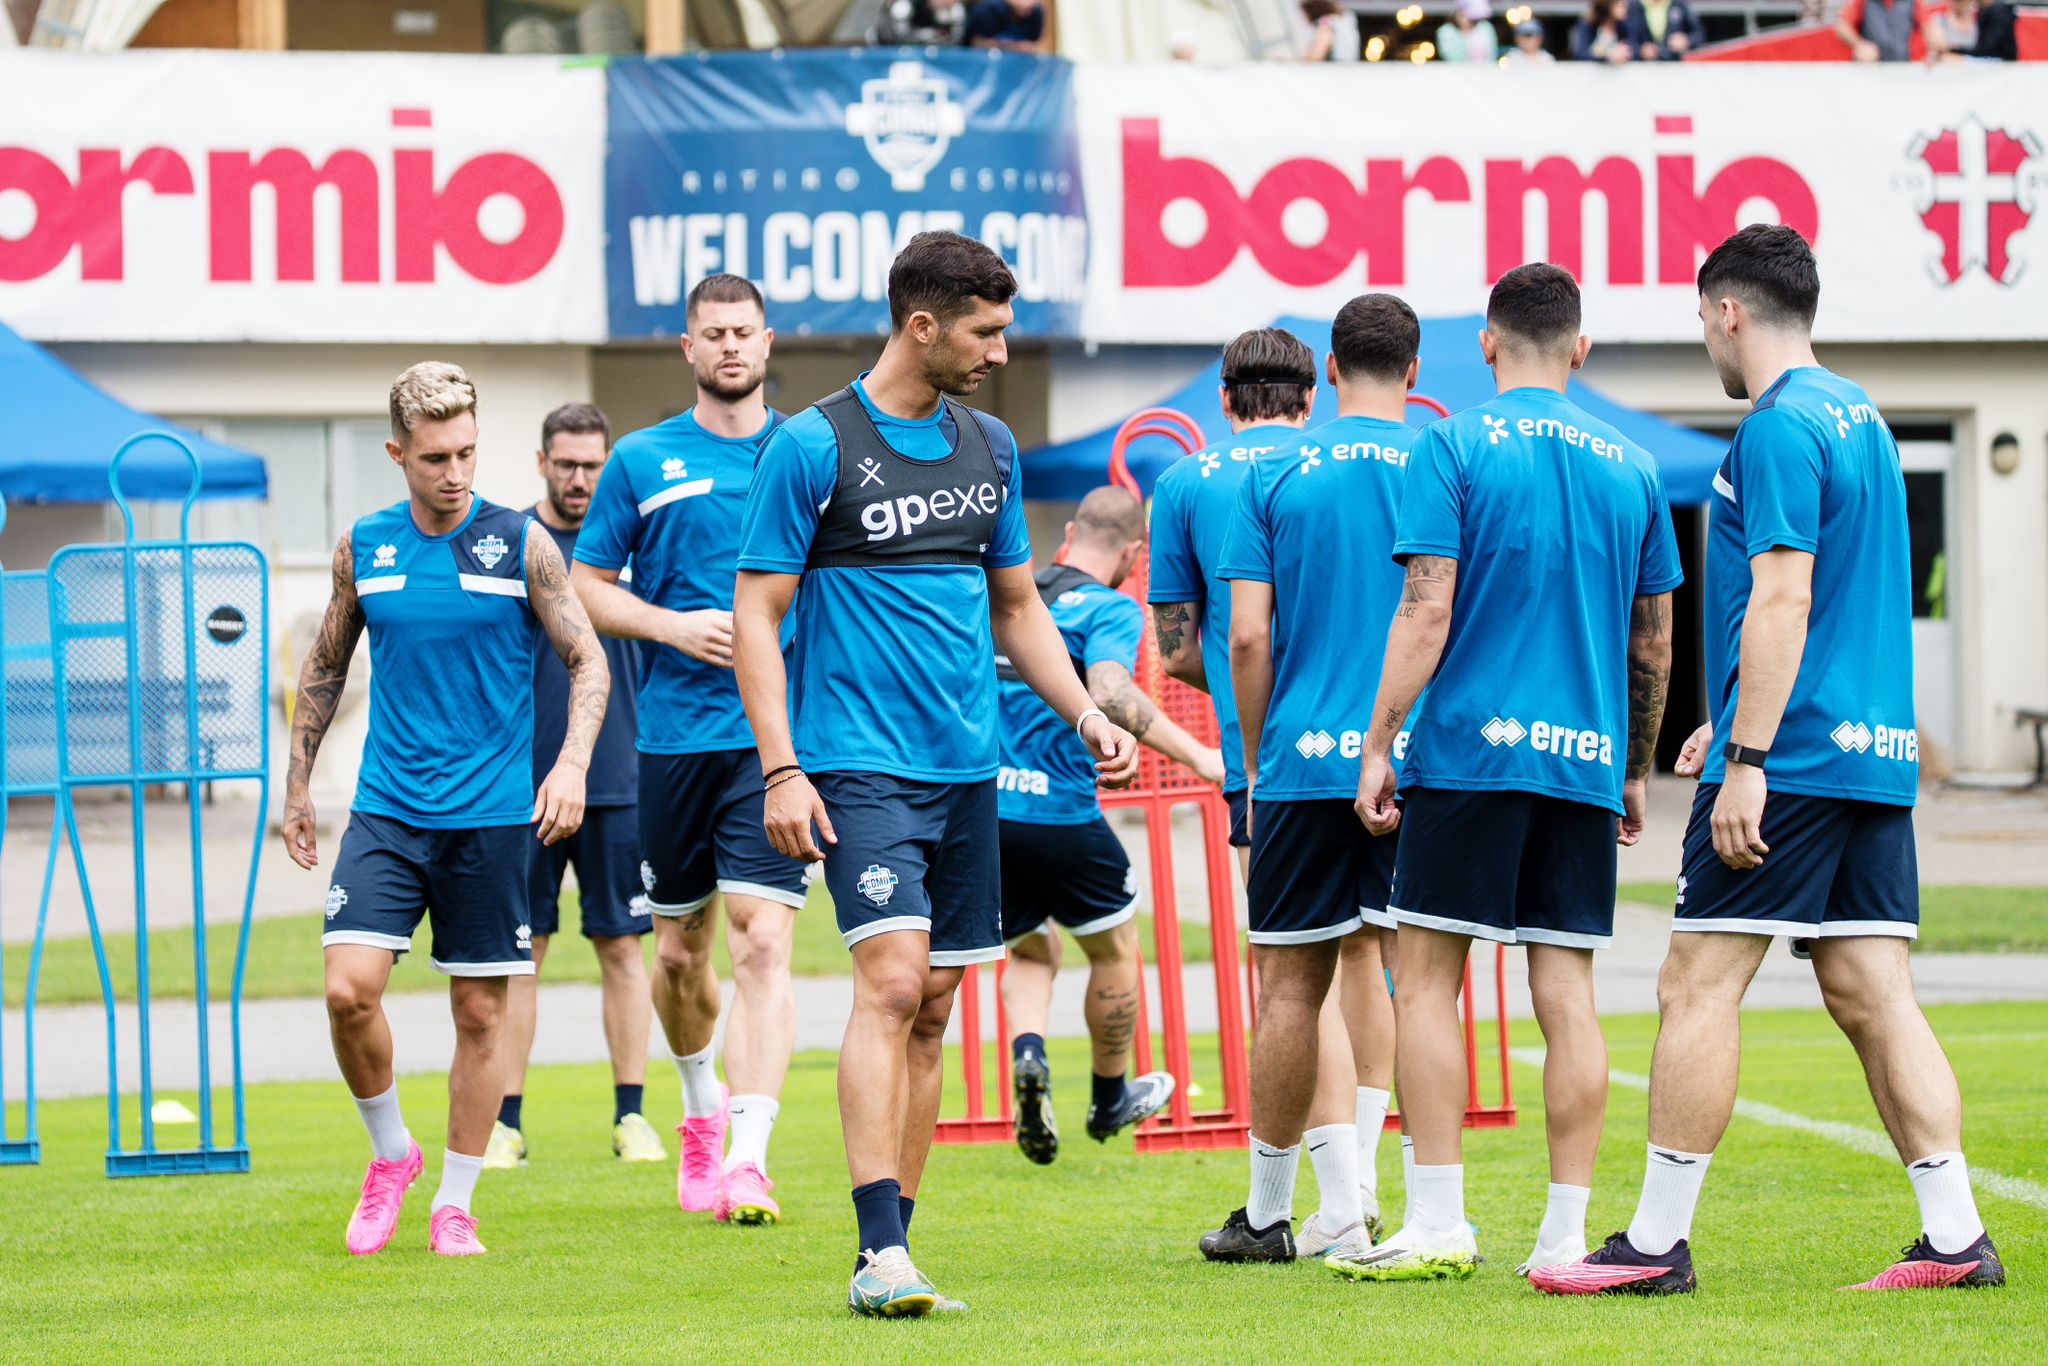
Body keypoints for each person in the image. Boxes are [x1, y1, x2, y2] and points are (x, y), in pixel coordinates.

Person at [1532, 225, 2008, 1297]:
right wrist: (1732, 718)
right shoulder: (1862, 418)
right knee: (1868, 985)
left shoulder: (1777, 426)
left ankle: (1652, 1245)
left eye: (1702, 318)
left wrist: (1745, 752)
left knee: (1693, 979)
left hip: (1789, 760)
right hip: (1867, 752)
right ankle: (1953, 1236)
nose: (1704, 333)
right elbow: (1832, 599)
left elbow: (1786, 591)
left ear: (1727, 312)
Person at [732, 231, 1139, 1317]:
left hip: (970, 770)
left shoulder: (991, 447)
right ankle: (875, 1251)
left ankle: (895, 1252)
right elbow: (757, 616)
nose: (1000, 352)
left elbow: (1016, 608)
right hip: (856, 763)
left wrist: (1085, 711)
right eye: (987, 331)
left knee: (938, 1003)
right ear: (923, 325)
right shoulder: (811, 448)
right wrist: (780, 768)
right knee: (895, 981)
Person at [1336, 264, 1681, 1282]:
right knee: (1565, 992)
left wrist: (1375, 740)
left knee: (1427, 985)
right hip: (1581, 758)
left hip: (1469, 755)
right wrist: (1630, 764)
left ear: (1484, 344)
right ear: (1579, 349)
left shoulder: (1448, 442)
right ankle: (1564, 1235)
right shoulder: (1630, 464)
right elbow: (1650, 643)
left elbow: (1425, 608)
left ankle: (1437, 1220)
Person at [284, 362, 609, 1259]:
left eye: (467, 451)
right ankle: (393, 1155)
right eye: (435, 456)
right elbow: (324, 665)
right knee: (349, 992)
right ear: (399, 453)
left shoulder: (522, 547)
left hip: (493, 820)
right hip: (389, 812)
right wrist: (298, 781)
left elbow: (589, 660)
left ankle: (455, 1203)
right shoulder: (366, 546)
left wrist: (572, 763)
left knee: (478, 1015)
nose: (456, 471)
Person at [569, 274, 806, 1226]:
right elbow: (586, 584)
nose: (730, 348)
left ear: (767, 339)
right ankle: (701, 1104)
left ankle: (747, 1160)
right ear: (688, 348)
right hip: (670, 742)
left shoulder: (807, 453)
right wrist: (670, 627)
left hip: (771, 740)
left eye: (744, 332)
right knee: (677, 953)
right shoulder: (640, 458)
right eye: (713, 334)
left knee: (763, 934)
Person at [1198, 295, 1421, 1266]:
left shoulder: (1280, 474)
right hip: (1414, 764)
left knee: (1289, 987)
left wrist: (1255, 753)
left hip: (1295, 759)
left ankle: (1276, 1209)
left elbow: (1246, 633)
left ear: (1330, 370)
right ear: (1413, 373)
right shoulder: (1439, 467)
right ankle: (1397, 1198)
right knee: (1416, 982)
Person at [1149, 327, 1371, 1262]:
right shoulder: (1354, 463)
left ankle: (1319, 1207)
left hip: (1271, 764)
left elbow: (1175, 646)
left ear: (1225, 398)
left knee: (1293, 978)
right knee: (1377, 967)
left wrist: (1262, 711)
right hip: (1387, 751)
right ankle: (1357, 1196)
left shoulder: (1186, 483)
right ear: (1310, 394)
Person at [997, 486, 1219, 1167]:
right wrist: (1201, 757)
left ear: (1068, 533)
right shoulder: (1112, 606)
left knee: (1032, 953)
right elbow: (1112, 693)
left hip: (989, 812)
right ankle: (1108, 1095)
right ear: (1132, 554)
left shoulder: (1015, 597)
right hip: (1060, 813)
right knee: (1116, 950)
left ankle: (1029, 1059)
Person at [488, 403, 659, 1172]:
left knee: (624, 948)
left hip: (621, 776)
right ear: (542, 461)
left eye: (594, 464)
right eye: (568, 464)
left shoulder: (629, 542)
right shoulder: (509, 544)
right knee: (521, 953)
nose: (582, 478)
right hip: (524, 785)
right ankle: (504, 1124)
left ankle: (632, 1118)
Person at [1834, 0, 1934, 60]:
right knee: (1866, 57)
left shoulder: (1912, 2)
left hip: (1901, 67)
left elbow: (1929, 29)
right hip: (1871, 66)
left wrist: (1933, 51)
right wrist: (1860, 45)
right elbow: (1842, 27)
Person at [1624, 0, 1704, 59]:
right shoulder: (1633, 6)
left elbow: (1699, 34)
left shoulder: (1679, 4)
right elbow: (1626, 39)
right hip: (1642, 71)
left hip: (1675, 67)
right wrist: (1640, 50)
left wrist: (1686, 40)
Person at [963, 0, 1047, 53]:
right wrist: (1015, 47)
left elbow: (1030, 44)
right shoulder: (989, 10)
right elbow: (977, 43)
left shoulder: (1036, 13)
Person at [1436, 0, 1500, 63]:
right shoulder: (1446, 32)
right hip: (1459, 72)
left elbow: (1493, 55)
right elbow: (1451, 57)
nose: (1471, 20)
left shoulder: (1486, 28)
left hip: (1486, 71)